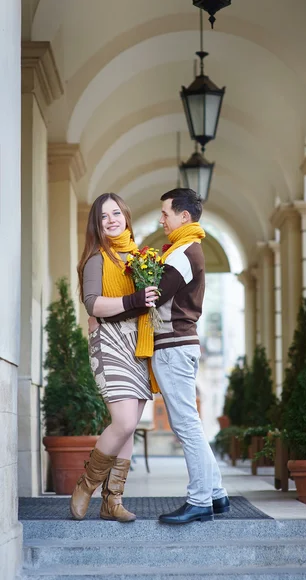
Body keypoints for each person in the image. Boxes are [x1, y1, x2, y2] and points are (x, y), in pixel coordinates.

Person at [104, 188, 229, 524]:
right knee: (190, 423)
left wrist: (121, 298)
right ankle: (216, 494)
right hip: (178, 346)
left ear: (184, 217)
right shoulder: (188, 250)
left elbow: (154, 298)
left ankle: (200, 500)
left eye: (166, 213)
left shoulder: (183, 252)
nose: (162, 219)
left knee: (186, 424)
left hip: (173, 346)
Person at [70, 193, 159, 523]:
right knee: (122, 422)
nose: (111, 220)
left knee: (129, 427)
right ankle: (86, 485)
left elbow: (146, 303)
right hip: (109, 342)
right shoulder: (97, 258)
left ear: (126, 216)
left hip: (138, 343)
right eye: (104, 216)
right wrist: (134, 298)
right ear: (97, 223)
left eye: (116, 213)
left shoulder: (140, 258)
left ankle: (113, 500)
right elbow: (93, 305)